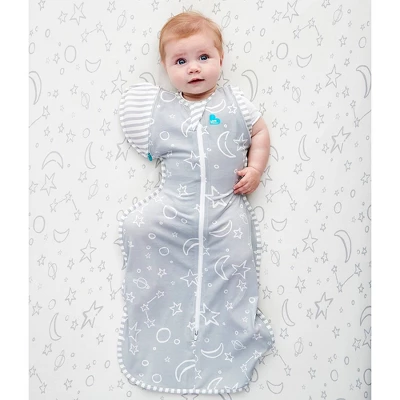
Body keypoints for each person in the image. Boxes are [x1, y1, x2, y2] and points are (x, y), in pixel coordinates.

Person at [117, 11, 275, 395]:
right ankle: (163, 327)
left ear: (221, 58)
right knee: (138, 226)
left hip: (225, 209)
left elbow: (260, 132)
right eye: (180, 61)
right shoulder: (160, 111)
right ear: (165, 67)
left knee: (236, 263)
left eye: (204, 57)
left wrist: (255, 168)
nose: (193, 68)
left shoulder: (236, 102)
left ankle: (230, 340)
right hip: (176, 207)